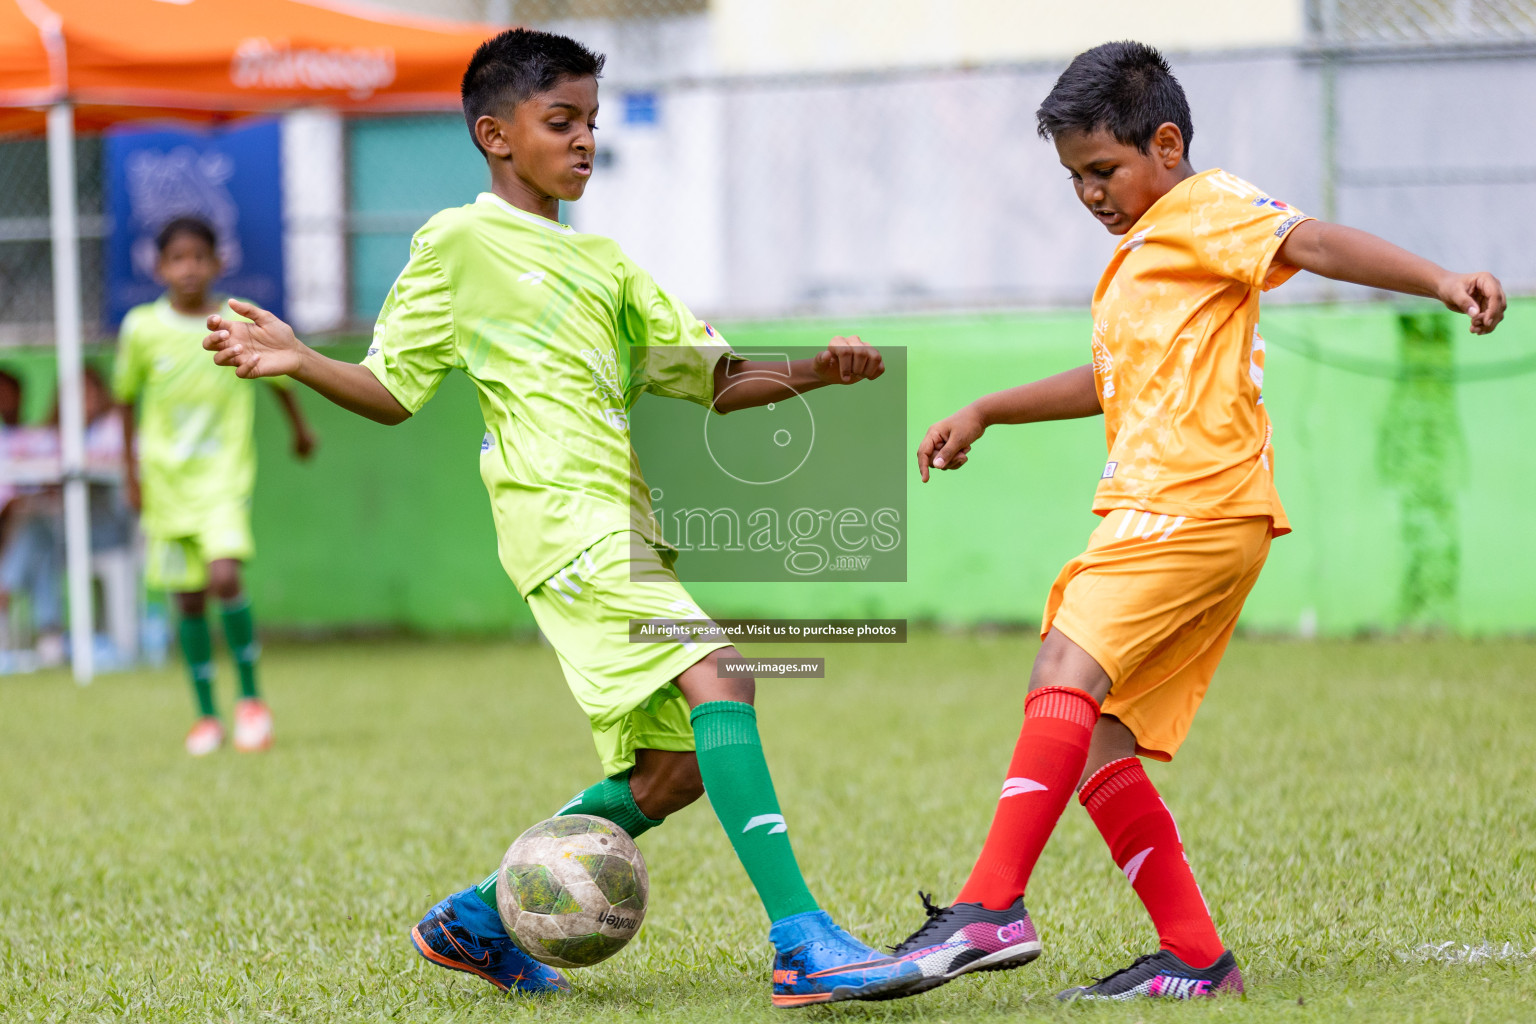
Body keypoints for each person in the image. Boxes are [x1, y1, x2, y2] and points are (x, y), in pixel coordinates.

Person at [203, 28, 927, 1008]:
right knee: (725, 671)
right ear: (495, 135)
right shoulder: (457, 242)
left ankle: (474, 915)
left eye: (591, 121)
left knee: (675, 770)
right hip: (558, 520)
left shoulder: (606, 267)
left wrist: (811, 371)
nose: (585, 140)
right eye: (562, 121)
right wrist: (303, 360)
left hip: (623, 526)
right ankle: (802, 939)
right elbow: (391, 385)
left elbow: (712, 380)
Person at [889, 41, 1505, 1002]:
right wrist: (989, 409)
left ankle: (991, 906)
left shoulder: (1203, 207)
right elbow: (1113, 379)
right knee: (1094, 732)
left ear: (1166, 144)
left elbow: (1310, 240)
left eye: (1103, 170)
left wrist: (1437, 280)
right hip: (1194, 512)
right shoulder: (1147, 252)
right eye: (1075, 179)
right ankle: (1195, 957)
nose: (1090, 194)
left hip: (1190, 501)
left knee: (1062, 667)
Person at [114, 217, 317, 755]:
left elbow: (278, 376)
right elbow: (124, 400)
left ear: (216, 263)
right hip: (165, 481)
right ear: (159, 267)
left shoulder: (232, 319)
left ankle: (251, 702)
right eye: (177, 259)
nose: (188, 268)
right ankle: (206, 715)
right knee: (187, 598)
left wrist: (300, 430)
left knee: (224, 575)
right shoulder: (141, 328)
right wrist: (129, 473)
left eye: (198, 257)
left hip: (223, 476)